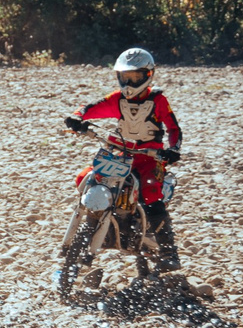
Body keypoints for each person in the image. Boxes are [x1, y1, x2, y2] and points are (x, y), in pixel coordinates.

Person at [63, 45, 185, 273]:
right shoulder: (117, 99)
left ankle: (169, 252)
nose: (128, 84)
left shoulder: (158, 100)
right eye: (124, 77)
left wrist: (173, 149)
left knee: (151, 194)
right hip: (122, 153)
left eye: (135, 77)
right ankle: (92, 220)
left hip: (149, 158)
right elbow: (91, 108)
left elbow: (173, 127)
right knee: (85, 176)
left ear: (148, 75)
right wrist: (76, 117)